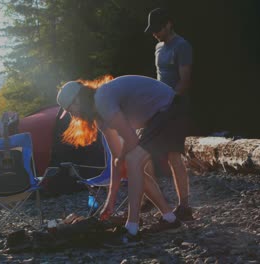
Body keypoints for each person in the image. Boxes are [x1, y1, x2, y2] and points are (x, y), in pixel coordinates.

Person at [56, 75, 188, 247]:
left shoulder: (102, 99)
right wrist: (110, 201)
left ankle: (132, 230)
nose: (73, 116)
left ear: (77, 102)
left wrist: (121, 159)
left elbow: (131, 140)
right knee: (130, 163)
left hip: (171, 109)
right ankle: (170, 219)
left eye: (71, 110)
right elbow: (116, 158)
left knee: (132, 160)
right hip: (158, 117)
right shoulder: (100, 117)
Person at [144, 7, 194, 221]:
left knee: (174, 156)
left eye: (158, 29)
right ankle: (149, 198)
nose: (155, 33)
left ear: (169, 24)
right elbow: (159, 76)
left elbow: (185, 80)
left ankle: (184, 206)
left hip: (175, 106)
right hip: (157, 106)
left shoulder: (182, 46)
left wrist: (170, 101)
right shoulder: (157, 47)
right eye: (152, 30)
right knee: (142, 151)